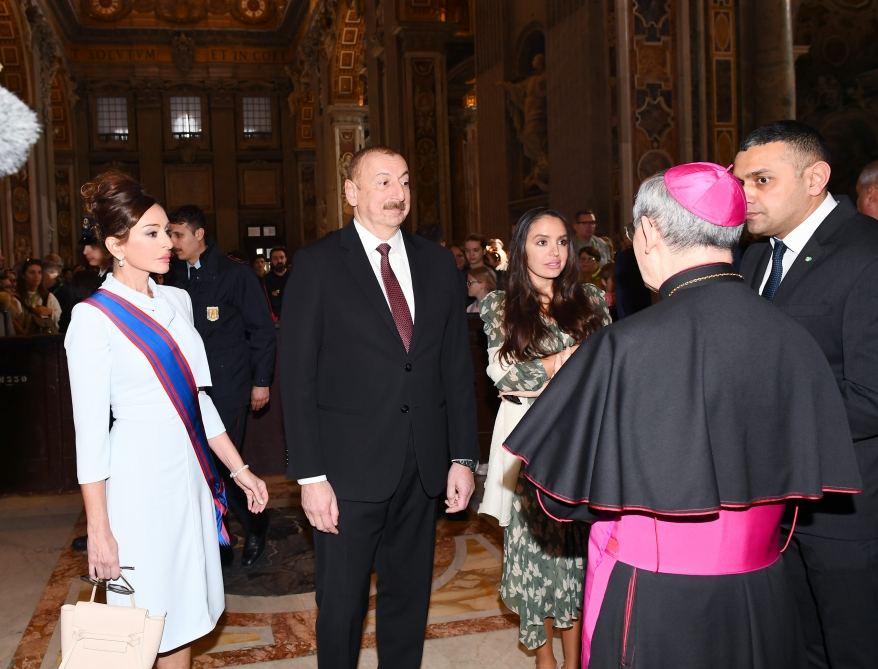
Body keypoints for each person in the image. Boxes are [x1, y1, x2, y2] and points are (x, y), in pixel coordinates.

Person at [503, 162, 862, 668]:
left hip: (655, 600)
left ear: (648, 232)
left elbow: (560, 498)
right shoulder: (791, 337)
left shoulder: (624, 347)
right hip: (767, 590)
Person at [280, 145, 478, 668]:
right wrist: (309, 476)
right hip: (345, 473)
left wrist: (462, 457)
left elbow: (456, 369)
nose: (398, 194)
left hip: (422, 466)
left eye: (405, 182)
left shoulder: (438, 263)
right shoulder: (318, 264)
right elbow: (295, 378)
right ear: (351, 192)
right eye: (384, 182)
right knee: (341, 608)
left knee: (409, 602)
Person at [65, 171, 269, 669]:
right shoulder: (92, 318)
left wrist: (239, 469)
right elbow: (90, 436)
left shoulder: (177, 300)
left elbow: (197, 400)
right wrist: (100, 527)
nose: (168, 243)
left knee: (183, 618)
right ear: (116, 244)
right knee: (139, 625)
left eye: (168, 232)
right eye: (152, 233)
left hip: (190, 479)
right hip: (138, 488)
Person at [734, 120, 878, 668]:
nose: (745, 196)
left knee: (854, 648)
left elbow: (869, 396)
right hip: (778, 504)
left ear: (815, 177)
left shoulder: (867, 254)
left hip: (848, 512)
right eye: (741, 181)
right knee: (795, 647)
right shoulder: (753, 258)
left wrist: (756, 420)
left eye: (762, 180)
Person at [478, 207, 609, 668]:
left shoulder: (590, 299)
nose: (554, 252)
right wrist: (563, 363)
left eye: (560, 242)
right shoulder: (501, 305)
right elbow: (506, 376)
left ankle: (574, 660)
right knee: (533, 553)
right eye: (541, 242)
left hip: (581, 438)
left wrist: (563, 369)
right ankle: (545, 660)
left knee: (575, 554)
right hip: (526, 440)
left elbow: (606, 372)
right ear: (520, 250)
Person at [167, 205, 276, 567]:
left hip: (227, 385)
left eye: (178, 234)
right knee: (197, 466)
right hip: (188, 387)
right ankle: (214, 536)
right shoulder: (173, 276)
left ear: (199, 235)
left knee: (223, 463)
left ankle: (255, 525)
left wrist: (261, 382)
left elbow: (261, 330)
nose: (172, 242)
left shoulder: (235, 274)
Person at [13, 259, 61, 334]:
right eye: (32, 272)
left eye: (39, 272)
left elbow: (57, 317)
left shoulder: (48, 297)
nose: (37, 276)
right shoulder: (15, 298)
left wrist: (50, 312)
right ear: (23, 275)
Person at [264, 246, 289, 319]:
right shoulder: (266, 280)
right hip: (275, 321)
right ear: (271, 261)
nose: (279, 261)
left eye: (282, 257)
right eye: (275, 258)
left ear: (286, 259)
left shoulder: (295, 277)